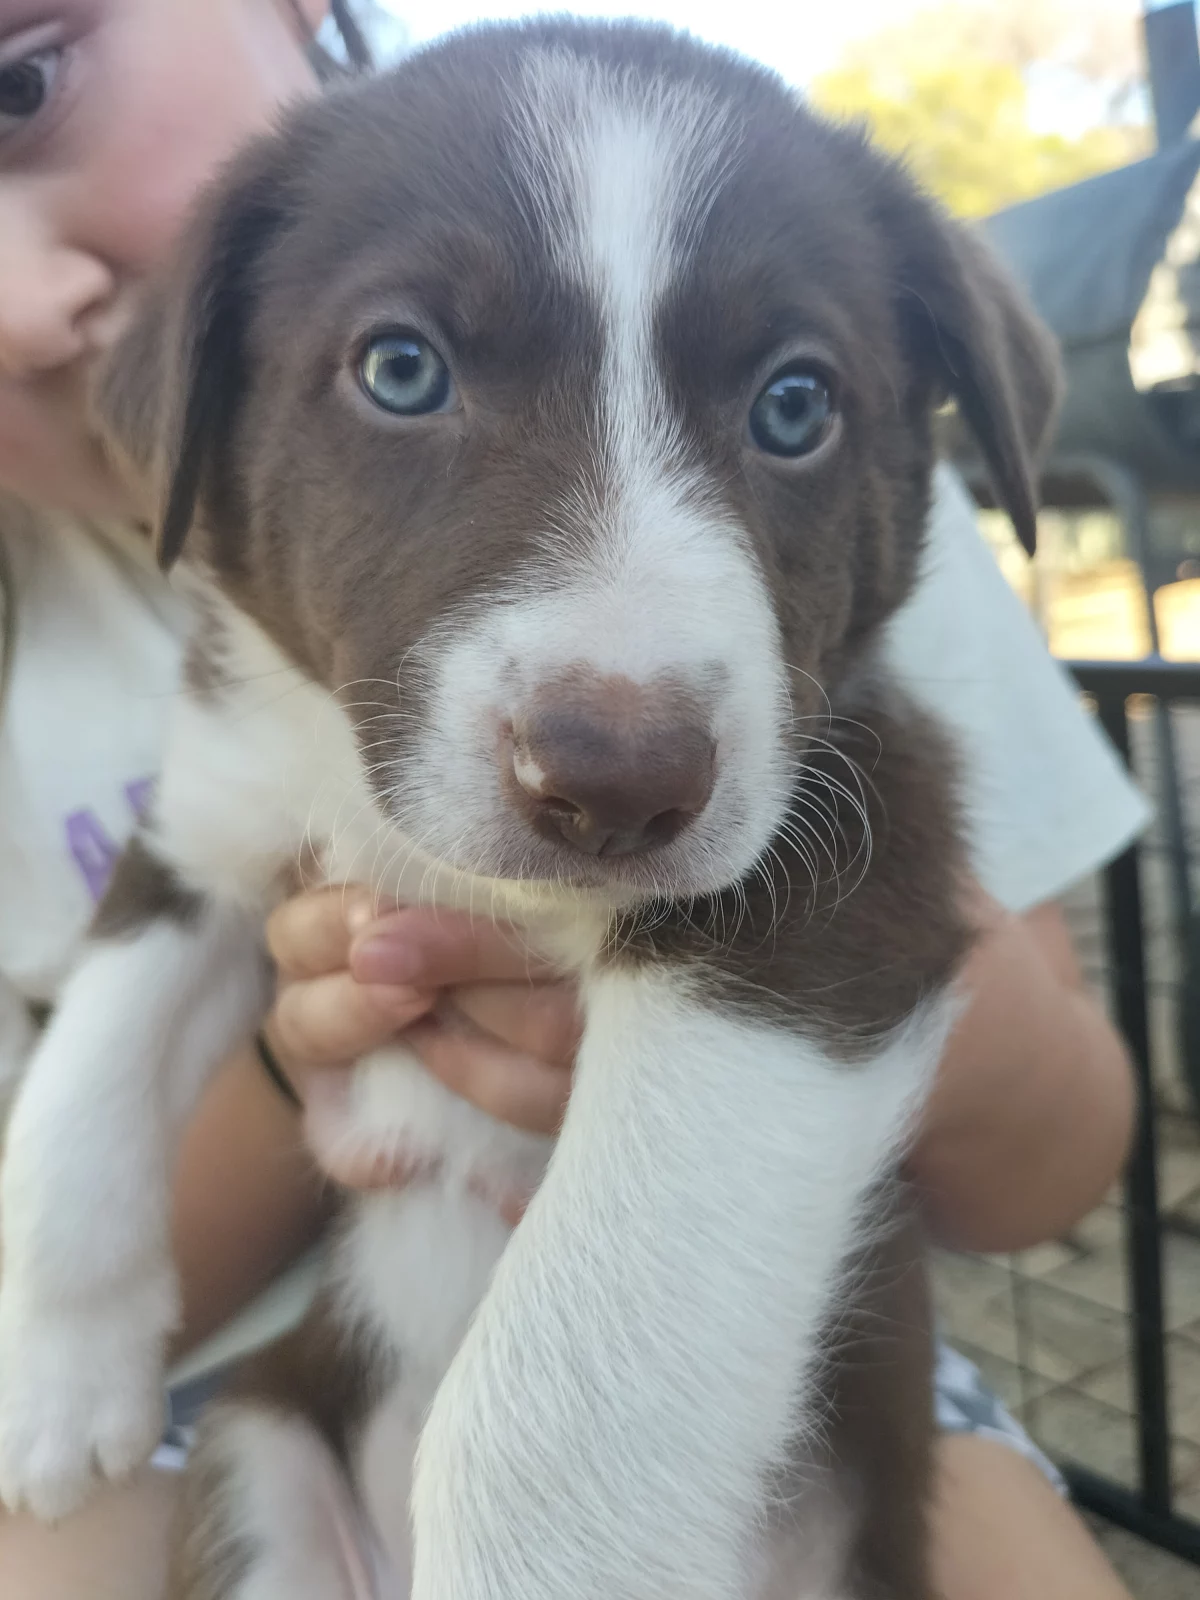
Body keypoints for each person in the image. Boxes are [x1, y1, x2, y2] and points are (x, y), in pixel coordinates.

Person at [0, 3, 1147, 1596]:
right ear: (214, 408)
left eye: (794, 404)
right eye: (404, 368)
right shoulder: (206, 669)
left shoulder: (847, 726)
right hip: (321, 1402)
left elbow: (1057, 1152)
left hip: (806, 1440)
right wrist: (99, 1253)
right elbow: (178, 901)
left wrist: (919, 979)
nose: (625, 702)